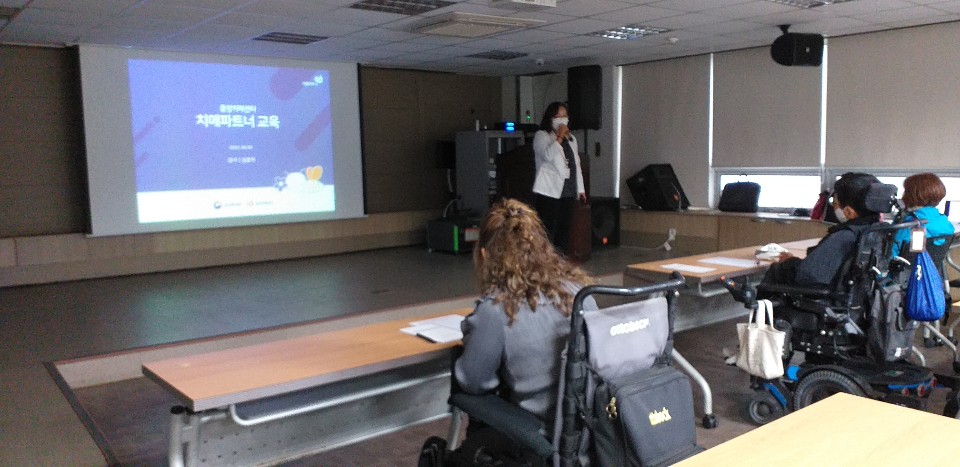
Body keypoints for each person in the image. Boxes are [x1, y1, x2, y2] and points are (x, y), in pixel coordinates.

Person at [454, 198, 595, 434]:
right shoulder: (580, 292)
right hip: (588, 431)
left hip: (541, 435)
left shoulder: (496, 311)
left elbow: (473, 382)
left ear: (485, 256)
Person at [771, 172, 883, 288]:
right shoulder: (877, 231)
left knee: (774, 270)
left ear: (849, 212)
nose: (833, 207)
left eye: (835, 204)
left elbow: (808, 276)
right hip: (859, 294)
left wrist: (789, 262)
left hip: (816, 294)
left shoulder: (845, 236)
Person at [532, 102, 587, 254]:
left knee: (565, 229)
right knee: (548, 229)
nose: (562, 119)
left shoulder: (572, 139)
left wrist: (580, 189)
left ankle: (561, 261)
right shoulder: (542, 136)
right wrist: (559, 138)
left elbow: (576, 164)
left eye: (564, 116)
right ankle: (545, 260)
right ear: (550, 118)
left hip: (568, 189)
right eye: (558, 116)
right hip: (549, 190)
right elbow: (547, 155)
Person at [891, 172, 955, 258]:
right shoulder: (944, 222)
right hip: (931, 266)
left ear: (912, 195)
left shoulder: (909, 225)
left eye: (906, 191)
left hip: (905, 266)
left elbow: (891, 256)